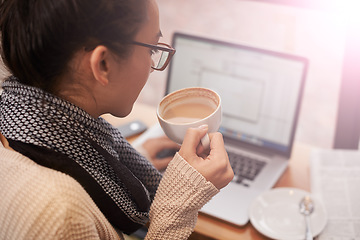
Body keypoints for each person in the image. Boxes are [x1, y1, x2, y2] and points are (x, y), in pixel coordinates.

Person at [0, 0, 234, 239]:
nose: (153, 64)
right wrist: (177, 208)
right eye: (151, 50)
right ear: (103, 64)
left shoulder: (18, 120)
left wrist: (130, 160)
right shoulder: (63, 216)